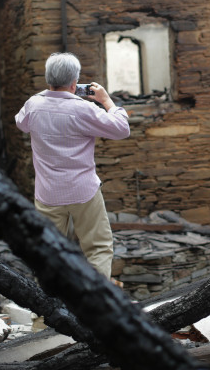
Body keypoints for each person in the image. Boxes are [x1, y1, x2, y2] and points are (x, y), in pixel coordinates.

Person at [15, 52, 130, 278]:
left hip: (48, 193)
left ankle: (47, 310)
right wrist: (106, 100)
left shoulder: (33, 105)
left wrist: (45, 95)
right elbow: (121, 129)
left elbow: (21, 123)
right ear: (75, 83)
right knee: (97, 248)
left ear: (48, 79)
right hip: (83, 192)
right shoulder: (83, 109)